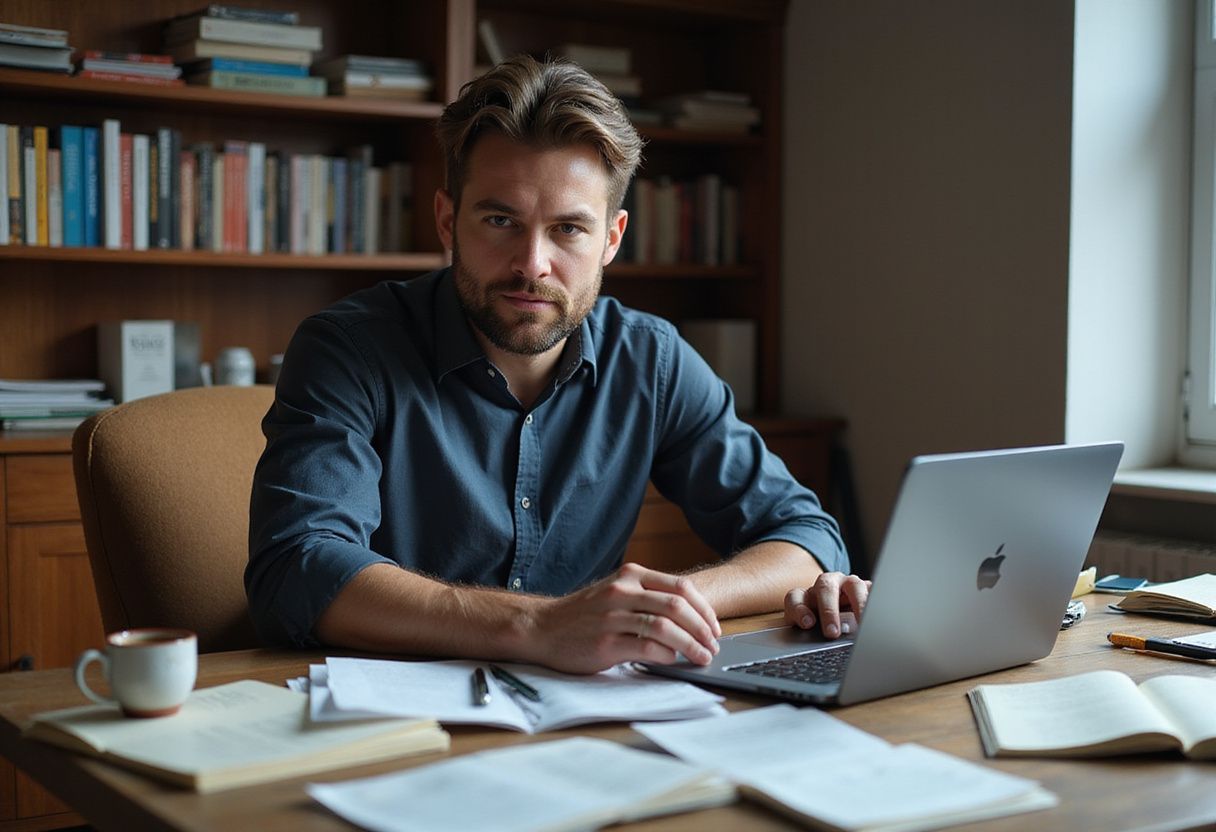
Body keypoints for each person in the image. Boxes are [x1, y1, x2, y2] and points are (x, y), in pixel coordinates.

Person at [246, 55, 869, 674]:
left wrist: (659, 610)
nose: (532, 264)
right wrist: (537, 626)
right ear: (447, 220)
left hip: (583, 720)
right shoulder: (347, 351)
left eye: (569, 229)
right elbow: (298, 567)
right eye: (500, 220)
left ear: (612, 239)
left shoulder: (651, 359)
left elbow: (804, 535)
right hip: (390, 726)